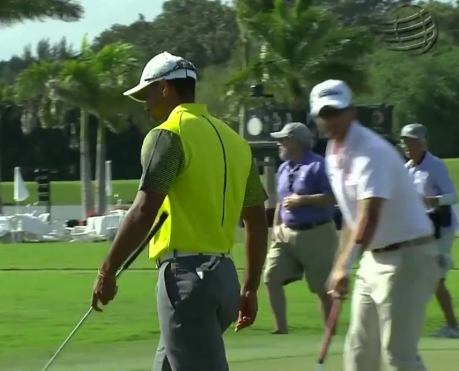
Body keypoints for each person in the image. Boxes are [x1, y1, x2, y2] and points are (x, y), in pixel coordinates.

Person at [90, 51, 269, 371]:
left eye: (147, 94)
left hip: (187, 281)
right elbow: (256, 219)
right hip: (225, 280)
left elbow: (144, 209)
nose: (145, 105)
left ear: (164, 89)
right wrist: (250, 287)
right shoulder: (236, 142)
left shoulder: (168, 135)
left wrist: (107, 270)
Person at [312, 79, 442, 371]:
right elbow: (351, 215)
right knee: (359, 351)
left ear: (351, 112)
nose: (331, 119)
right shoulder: (334, 153)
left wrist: (346, 266)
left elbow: (371, 213)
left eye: (337, 111)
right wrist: (338, 266)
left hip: (409, 257)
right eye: (325, 113)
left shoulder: (369, 151)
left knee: (398, 354)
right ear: (316, 118)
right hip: (374, 260)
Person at [263, 122, 337, 334]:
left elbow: (331, 198)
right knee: (271, 277)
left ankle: (330, 334)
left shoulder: (319, 165)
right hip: (285, 233)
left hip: (317, 233)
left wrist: (303, 200)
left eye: (283, 139)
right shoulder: (283, 168)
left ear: (297, 142)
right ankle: (281, 330)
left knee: (322, 288)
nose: (279, 143)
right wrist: (276, 226)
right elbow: (281, 201)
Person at [400, 123, 459, 338]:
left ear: (422, 143)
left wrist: (437, 200)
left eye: (410, 141)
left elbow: (453, 196)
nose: (406, 145)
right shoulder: (407, 168)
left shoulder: (435, 166)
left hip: (440, 229)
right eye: (404, 141)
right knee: (416, 276)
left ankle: (452, 326)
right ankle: (448, 325)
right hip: (419, 229)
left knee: (435, 278)